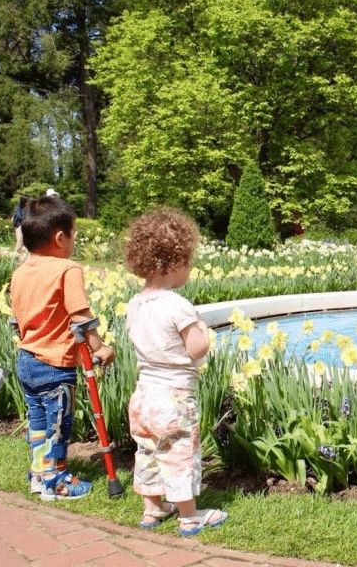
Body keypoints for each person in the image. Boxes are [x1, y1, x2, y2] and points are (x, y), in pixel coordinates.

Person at [123, 208, 228, 536]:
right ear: (171, 263)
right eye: (187, 262)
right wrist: (201, 326)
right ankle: (189, 516)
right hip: (173, 398)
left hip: (142, 396)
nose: (189, 270)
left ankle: (153, 510)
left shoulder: (135, 303)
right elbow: (197, 348)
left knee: (149, 452)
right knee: (180, 453)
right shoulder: (177, 304)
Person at [9, 195, 116, 500]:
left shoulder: (20, 273)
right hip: (54, 366)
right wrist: (99, 348)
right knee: (59, 424)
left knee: (39, 422)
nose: (74, 242)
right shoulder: (67, 270)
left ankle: (39, 473)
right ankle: (57, 482)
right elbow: (80, 317)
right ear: (60, 238)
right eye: (73, 235)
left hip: (26, 361)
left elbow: (16, 320)